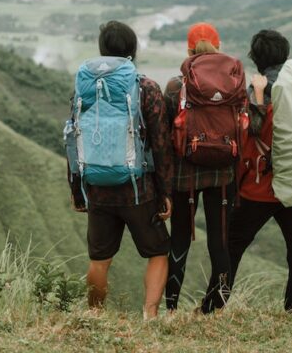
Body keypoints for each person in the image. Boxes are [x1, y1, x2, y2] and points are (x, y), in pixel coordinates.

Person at [67, 20, 174, 320]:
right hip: (138, 189)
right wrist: (166, 191)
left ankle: (95, 315)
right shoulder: (145, 88)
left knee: (99, 259)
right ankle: (150, 315)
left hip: (97, 189)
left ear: (102, 50)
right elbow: (161, 143)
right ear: (131, 50)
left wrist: (77, 190)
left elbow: (73, 141)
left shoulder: (84, 91)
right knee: (157, 252)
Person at [227, 29, 292, 316]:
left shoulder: (262, 87)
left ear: (256, 58)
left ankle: (212, 306)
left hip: (261, 185)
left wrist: (257, 93)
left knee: (231, 245)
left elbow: (252, 130)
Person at [163, 22, 238, 314]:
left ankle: (170, 309)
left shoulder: (175, 85)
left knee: (180, 239)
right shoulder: (234, 85)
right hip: (223, 176)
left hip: (185, 177)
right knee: (219, 243)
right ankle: (214, 310)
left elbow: (165, 135)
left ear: (189, 49)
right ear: (218, 47)